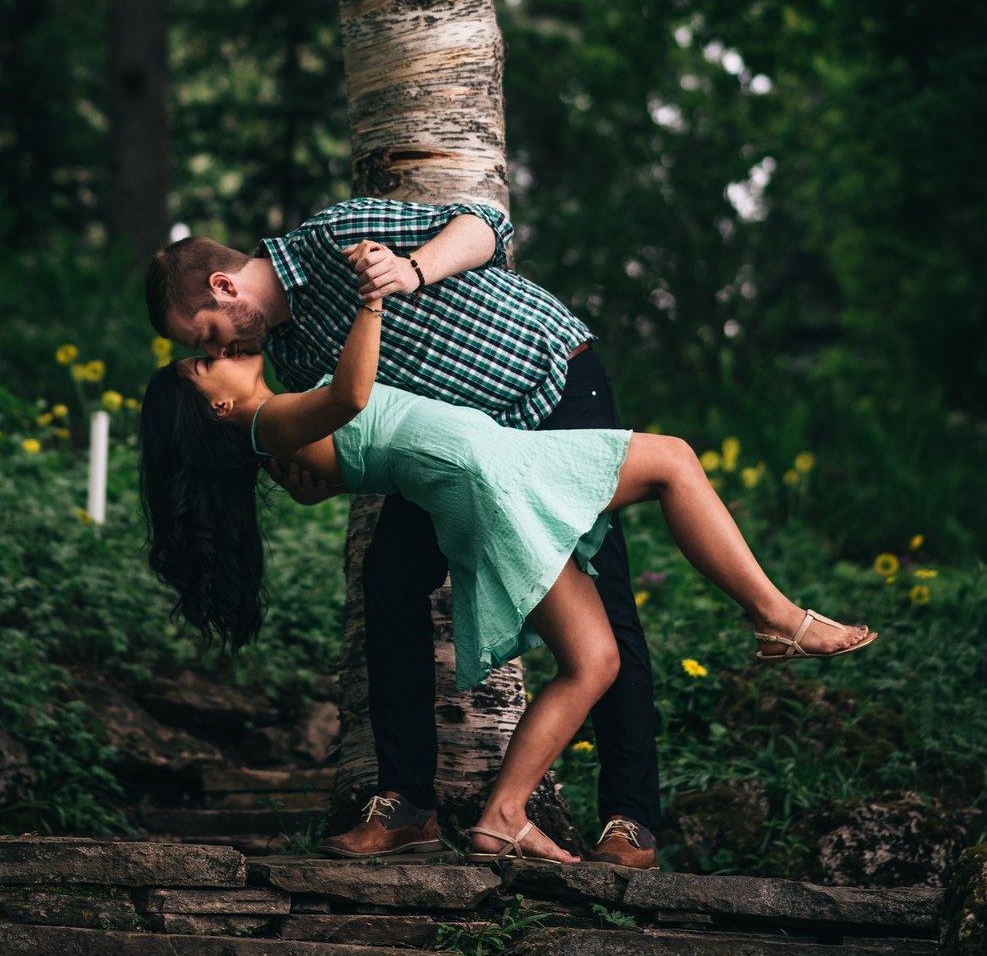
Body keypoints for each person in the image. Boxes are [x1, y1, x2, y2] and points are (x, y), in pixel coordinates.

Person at [139, 290, 875, 866]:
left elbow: (349, 452)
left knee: (594, 658)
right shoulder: (274, 423)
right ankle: (775, 616)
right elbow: (355, 397)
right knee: (672, 463)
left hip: (492, 471)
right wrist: (371, 301)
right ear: (218, 407)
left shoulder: (285, 433)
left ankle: (502, 815)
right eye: (205, 362)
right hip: (495, 479)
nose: (222, 348)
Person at [145, 197, 663, 866]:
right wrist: (318, 478)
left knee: (605, 589)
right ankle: (406, 804)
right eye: (202, 350)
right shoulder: (290, 357)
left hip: (549, 387)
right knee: (388, 578)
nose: (215, 347)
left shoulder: (333, 238)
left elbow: (486, 224)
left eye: (205, 334)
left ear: (223, 286)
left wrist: (408, 272)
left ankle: (630, 819)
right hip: (465, 453)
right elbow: (371, 428)